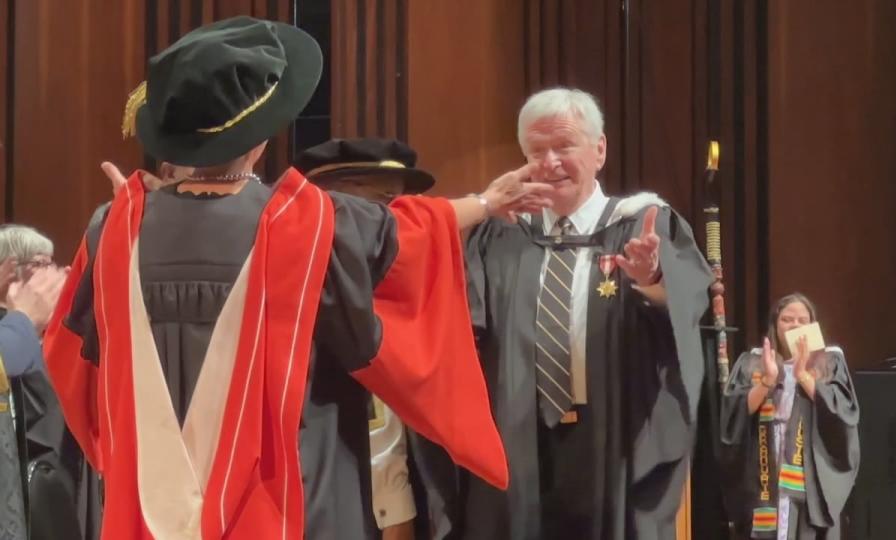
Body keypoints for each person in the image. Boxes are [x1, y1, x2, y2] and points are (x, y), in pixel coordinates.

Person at [42, 16, 551, 539]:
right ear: (259, 139)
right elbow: (404, 234)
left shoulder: (115, 228)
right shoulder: (303, 226)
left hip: (149, 503)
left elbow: (70, 357)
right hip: (288, 500)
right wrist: (487, 202)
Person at [412, 87, 714, 539]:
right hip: (515, 437)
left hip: (610, 437)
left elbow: (688, 306)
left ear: (600, 150)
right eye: (537, 151)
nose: (550, 162)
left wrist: (653, 280)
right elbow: (461, 326)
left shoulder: (640, 224)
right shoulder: (499, 234)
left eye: (564, 147)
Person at [295, 137, 437, 540]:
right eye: (377, 206)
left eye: (397, 206)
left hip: (412, 495)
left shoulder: (426, 287)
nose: (390, 224)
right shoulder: (295, 294)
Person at [720, 293, 860, 540]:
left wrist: (803, 375)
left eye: (802, 320)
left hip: (807, 472)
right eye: (787, 319)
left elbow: (843, 415)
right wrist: (767, 381)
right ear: (775, 325)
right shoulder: (753, 361)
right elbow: (734, 414)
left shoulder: (829, 363)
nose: (795, 325)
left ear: (812, 325)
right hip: (765, 468)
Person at [0, 225, 100, 540]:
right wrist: (25, 320)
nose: (56, 276)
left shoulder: (44, 335)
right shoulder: (15, 331)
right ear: (7, 274)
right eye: (42, 265)